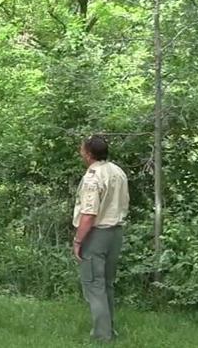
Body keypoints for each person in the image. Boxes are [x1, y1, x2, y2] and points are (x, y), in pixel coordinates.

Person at [72, 135, 130, 342]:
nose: (80, 152)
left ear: (88, 153)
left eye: (82, 149)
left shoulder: (92, 177)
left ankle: (102, 336)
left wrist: (78, 241)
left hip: (96, 235)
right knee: (107, 284)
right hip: (115, 233)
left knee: (94, 285)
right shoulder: (117, 172)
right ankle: (109, 330)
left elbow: (89, 214)